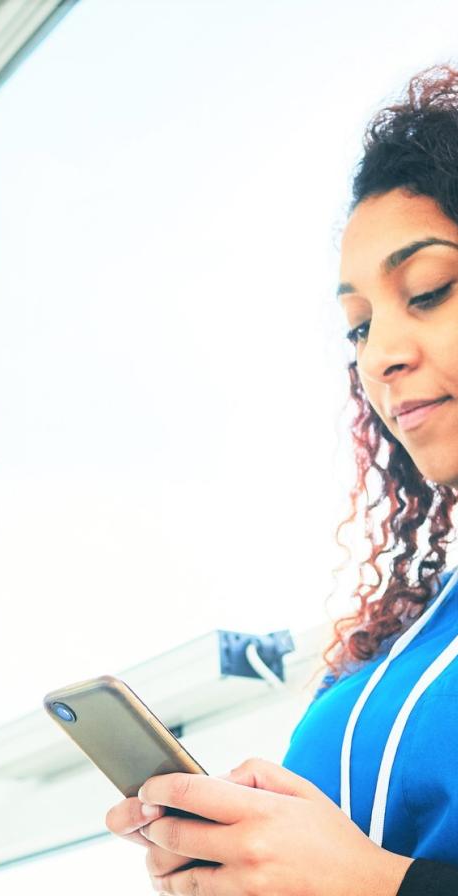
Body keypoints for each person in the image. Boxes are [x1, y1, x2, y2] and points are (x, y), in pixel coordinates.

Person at [105, 62, 458, 895]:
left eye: (430, 290)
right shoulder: (405, 637)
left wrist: (374, 883)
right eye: (358, 327)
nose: (381, 355)